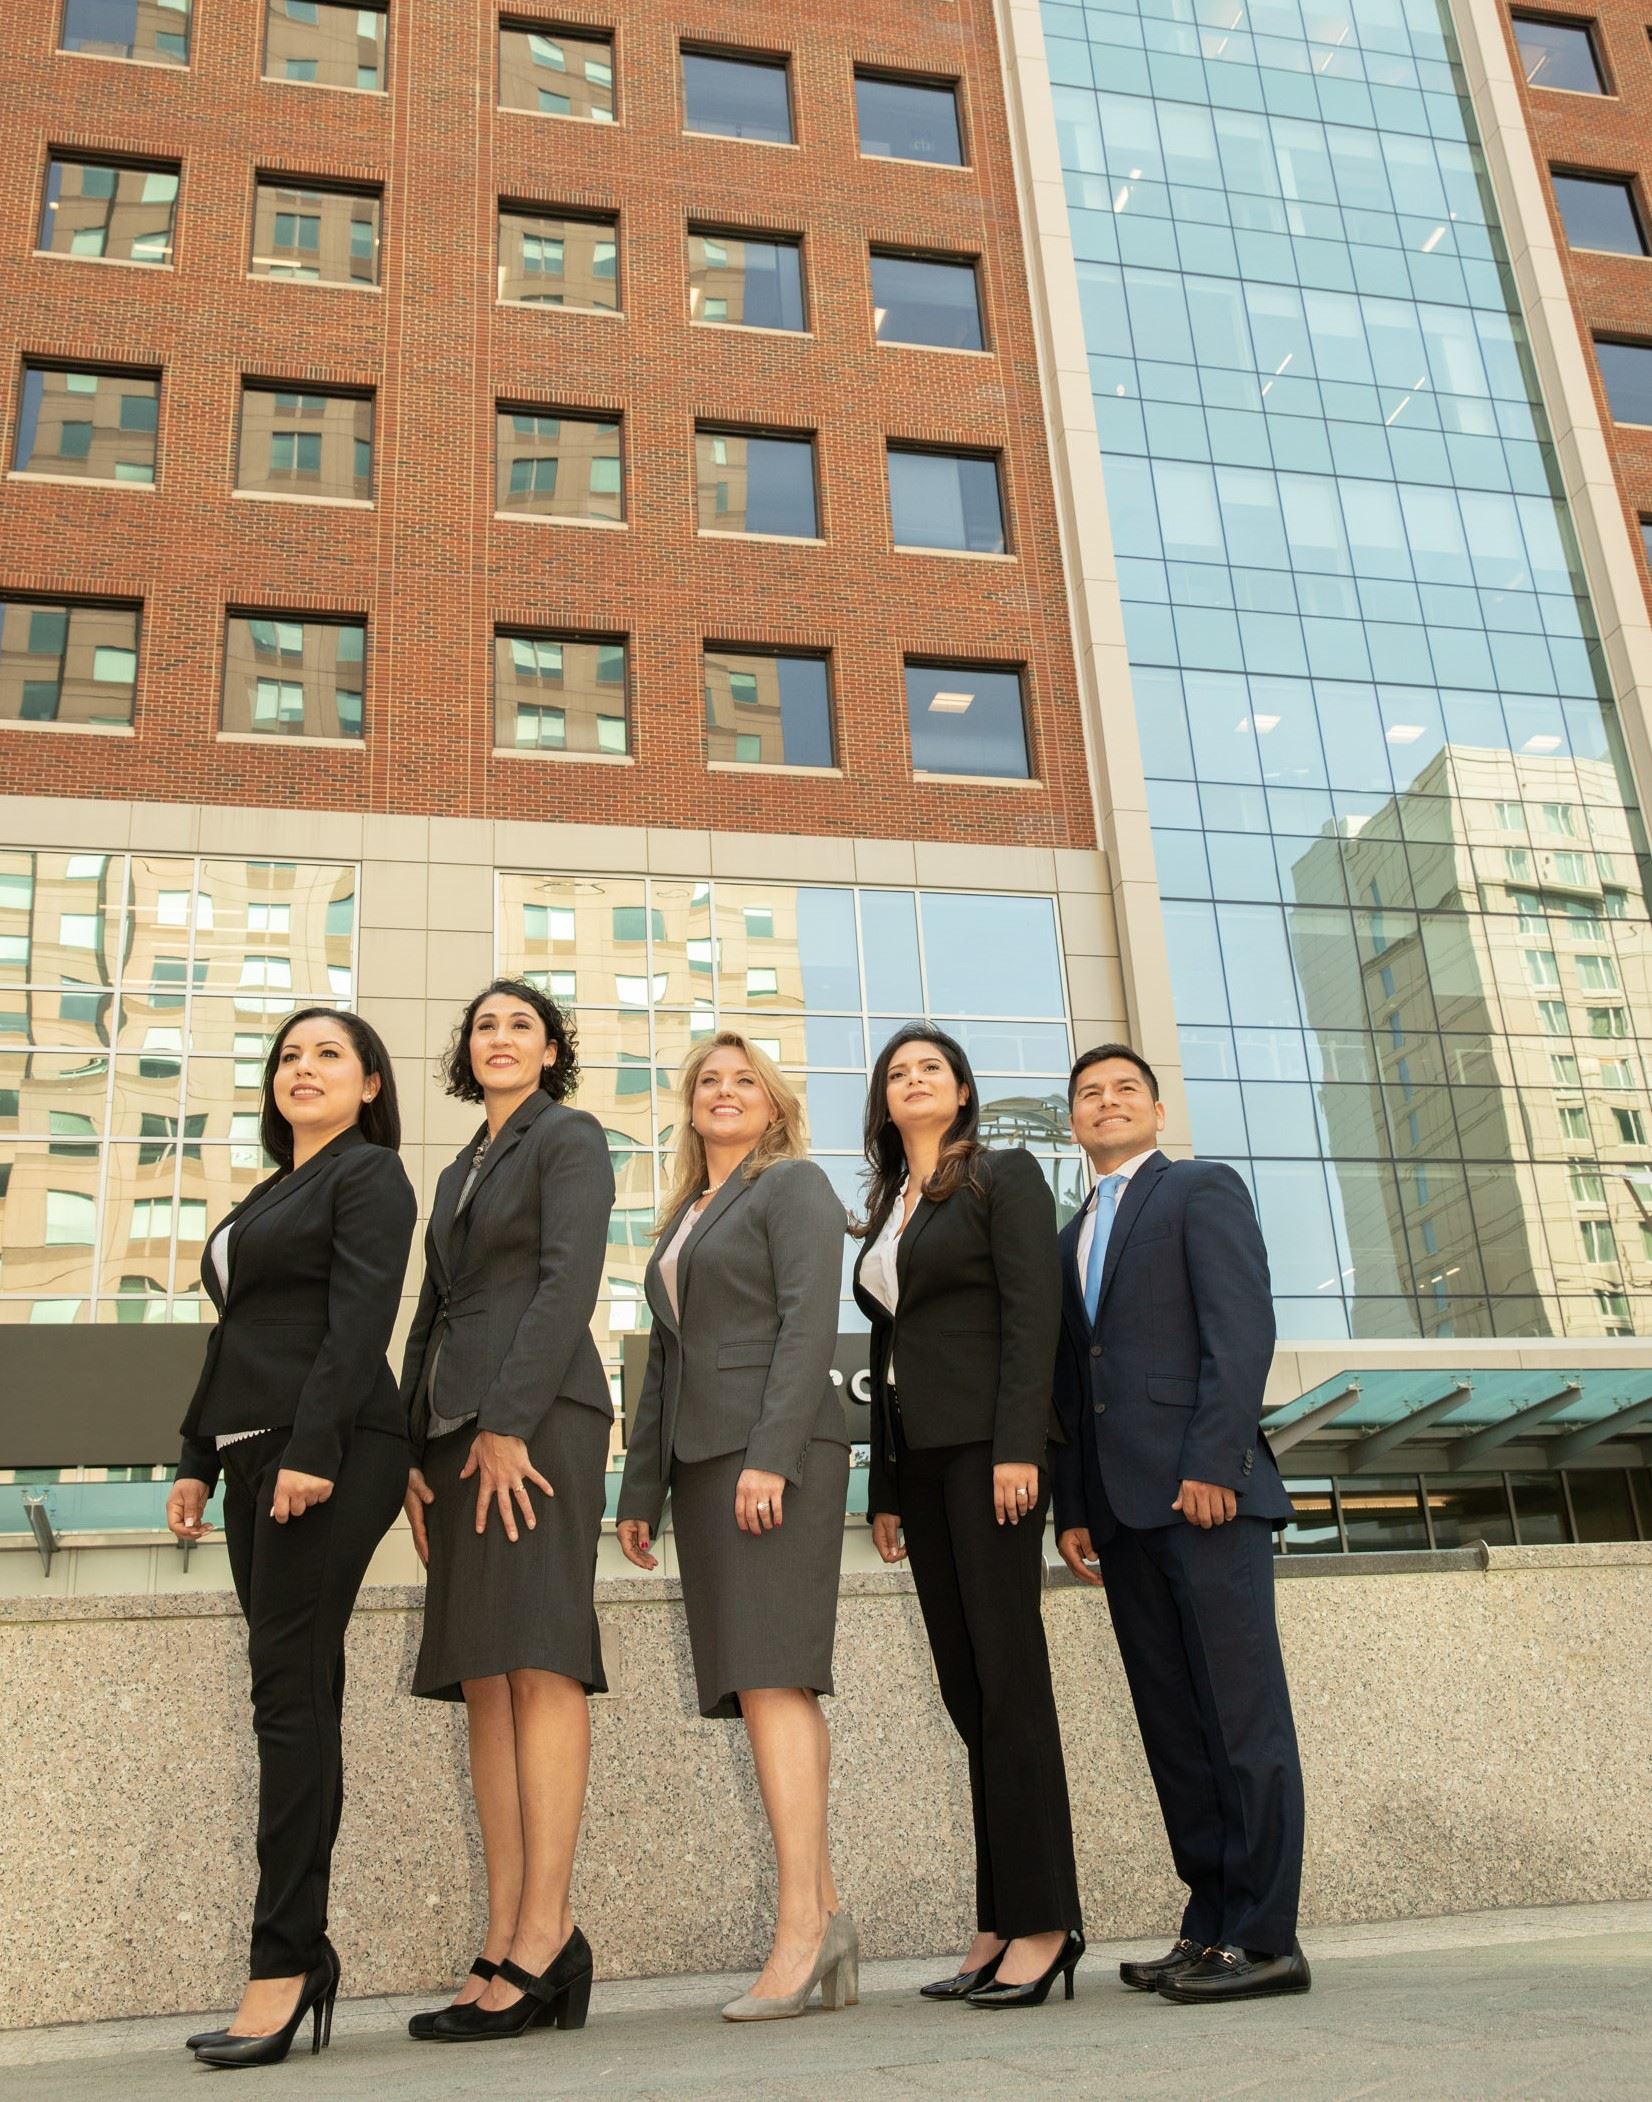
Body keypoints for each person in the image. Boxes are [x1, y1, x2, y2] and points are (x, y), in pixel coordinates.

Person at [166, 1007, 416, 2068]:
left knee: (290, 1692)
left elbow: (360, 1318)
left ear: (369, 1083)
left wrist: (312, 1447)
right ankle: (293, 1951)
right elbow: (240, 1332)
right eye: (286, 1055)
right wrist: (193, 1450)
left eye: (327, 1053)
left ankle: (285, 1958)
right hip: (254, 1448)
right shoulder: (272, 1191)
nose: (300, 1068)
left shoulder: (368, 1175)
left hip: (329, 1446)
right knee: (288, 1692)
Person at [1051, 1044, 1309, 2004]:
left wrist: (1216, 1464)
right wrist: (1074, 1507)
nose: (1106, 1104)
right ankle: (1209, 1927)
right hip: (1119, 1515)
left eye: (1124, 1091)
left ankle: (1267, 1937)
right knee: (1175, 1728)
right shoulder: (1070, 1228)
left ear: (1157, 1112)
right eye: (1089, 1095)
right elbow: (1077, 1385)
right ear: (1074, 1121)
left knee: (1242, 1722)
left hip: (1206, 1497)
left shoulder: (1201, 1189)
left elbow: (1242, 1330)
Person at [615, 1032, 856, 2023]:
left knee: (771, 1672)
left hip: (772, 1454)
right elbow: (664, 1361)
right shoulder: (685, 1214)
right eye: (707, 1080)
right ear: (687, 1104)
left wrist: (771, 1453)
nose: (723, 1090)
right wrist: (639, 1489)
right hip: (701, 1460)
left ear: (774, 1103)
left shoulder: (791, 1186)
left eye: (741, 1078)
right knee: (759, 1680)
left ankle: (800, 1929)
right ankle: (829, 1922)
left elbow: (808, 1323)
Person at [399, 979, 615, 2042]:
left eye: (520, 1023)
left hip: (533, 1421)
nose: (498, 1036)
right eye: (482, 1023)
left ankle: (547, 1933)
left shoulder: (566, 1137)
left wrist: (508, 1421)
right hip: (454, 1431)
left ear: (551, 1049)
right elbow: (434, 1307)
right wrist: (410, 1447)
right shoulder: (455, 1168)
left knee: (537, 1657)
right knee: (484, 1676)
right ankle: (505, 1935)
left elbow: (567, 1279)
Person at [856, 1024, 1083, 2010]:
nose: (913, 1079)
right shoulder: (885, 1207)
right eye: (896, 1070)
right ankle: (997, 1919)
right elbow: (887, 1349)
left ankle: (1045, 1921)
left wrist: (1021, 1445)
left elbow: (1035, 1313)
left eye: (930, 1068)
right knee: (965, 1689)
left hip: (990, 1454)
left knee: (1009, 1680)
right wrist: (884, 1486)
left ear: (959, 1092)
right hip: (923, 1461)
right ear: (882, 1099)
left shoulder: (1001, 1174)